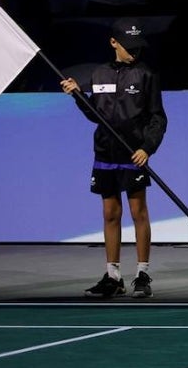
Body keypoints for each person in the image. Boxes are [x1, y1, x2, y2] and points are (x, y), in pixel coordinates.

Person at [60, 18, 167, 299]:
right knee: (110, 213)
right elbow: (95, 115)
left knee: (138, 212)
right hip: (105, 152)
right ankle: (113, 276)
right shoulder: (99, 74)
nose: (135, 52)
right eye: (129, 46)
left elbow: (157, 117)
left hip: (134, 153)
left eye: (138, 46)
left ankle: (142, 274)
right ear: (113, 42)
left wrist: (148, 147)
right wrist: (77, 95)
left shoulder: (147, 75)